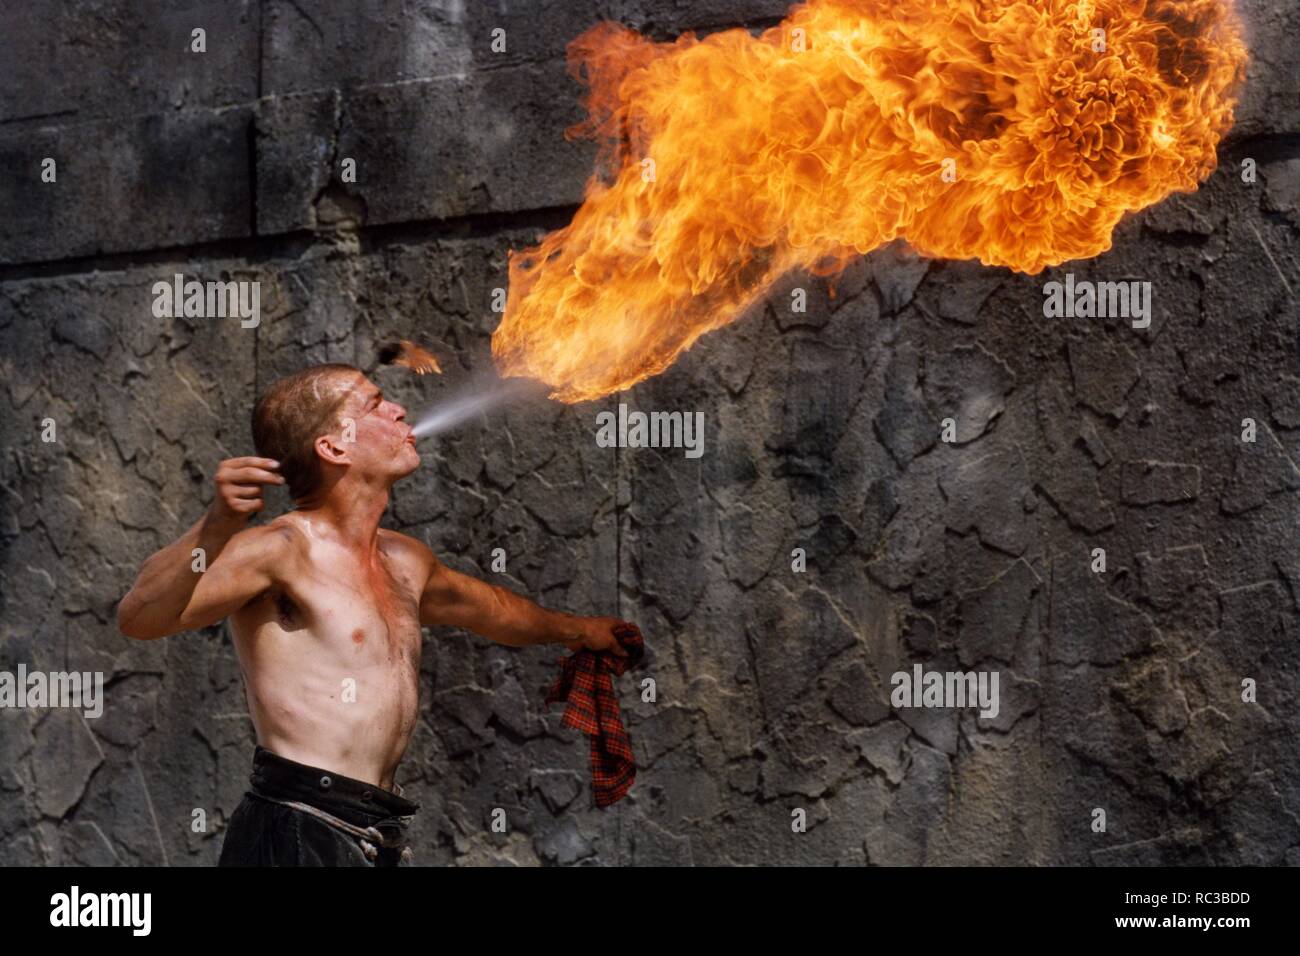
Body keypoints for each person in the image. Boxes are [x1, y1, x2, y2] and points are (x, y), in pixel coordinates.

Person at [116, 363, 630, 866]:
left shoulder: (405, 562)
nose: (401, 410)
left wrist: (580, 631)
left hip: (374, 830)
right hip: (296, 829)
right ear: (332, 446)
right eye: (376, 403)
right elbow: (140, 617)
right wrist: (215, 525)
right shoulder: (280, 549)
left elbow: (492, 610)